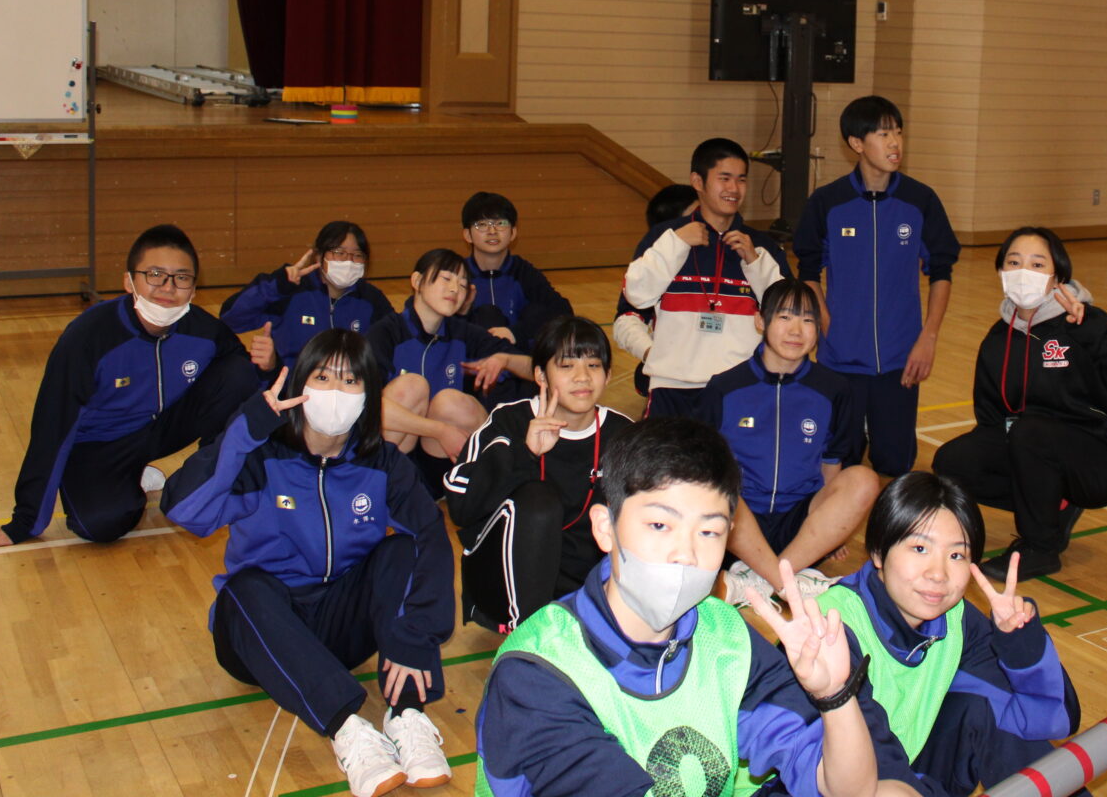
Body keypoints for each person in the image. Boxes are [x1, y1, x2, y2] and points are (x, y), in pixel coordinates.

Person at [471, 416, 921, 797]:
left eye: (709, 532)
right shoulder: (538, 670)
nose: (685, 554)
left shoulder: (723, 635)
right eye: (660, 524)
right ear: (605, 528)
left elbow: (848, 788)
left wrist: (834, 696)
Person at [162, 330, 455, 797]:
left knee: (402, 549)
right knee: (243, 588)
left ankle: (408, 715)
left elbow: (430, 537)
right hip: (260, 637)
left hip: (339, 626)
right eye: (323, 377)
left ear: (369, 395)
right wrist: (245, 430)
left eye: (351, 381)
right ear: (299, 385)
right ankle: (348, 730)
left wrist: (416, 635)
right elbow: (183, 510)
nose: (335, 393)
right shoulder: (261, 456)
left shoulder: (380, 463)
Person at [0, 224, 259, 549]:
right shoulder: (89, 337)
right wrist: (23, 523)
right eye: (155, 274)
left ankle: (204, 480)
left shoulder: (203, 329)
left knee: (240, 373)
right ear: (129, 281)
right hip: (101, 444)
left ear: (194, 288)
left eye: (182, 278)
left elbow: (240, 382)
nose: (168, 288)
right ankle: (128, 480)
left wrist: (267, 366)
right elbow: (52, 427)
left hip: (161, 428)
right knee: (100, 525)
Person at [815, 472, 1083, 797]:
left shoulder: (955, 621)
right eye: (919, 548)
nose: (938, 574)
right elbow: (860, 774)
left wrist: (1020, 646)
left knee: (980, 710)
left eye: (956, 555)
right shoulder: (832, 627)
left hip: (903, 777)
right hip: (830, 786)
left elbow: (1056, 719)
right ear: (878, 552)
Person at [933, 227, 1107, 581]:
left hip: (1106, 459)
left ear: (1058, 277)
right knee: (952, 462)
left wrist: (1096, 334)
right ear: (1001, 272)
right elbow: (991, 421)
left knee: (1031, 433)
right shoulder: (997, 340)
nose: (1024, 271)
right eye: (1014, 262)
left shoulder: (1086, 323)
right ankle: (1052, 506)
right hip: (1036, 449)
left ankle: (1040, 546)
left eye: (1037, 264)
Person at [793, 95, 960, 476]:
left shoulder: (920, 201)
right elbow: (808, 270)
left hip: (901, 359)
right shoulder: (827, 203)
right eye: (884, 134)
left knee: (895, 462)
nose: (895, 143)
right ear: (856, 143)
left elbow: (942, 270)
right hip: (841, 361)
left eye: (898, 133)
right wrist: (826, 324)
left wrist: (928, 337)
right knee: (841, 460)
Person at [444, 316, 635, 632]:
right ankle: (531, 638)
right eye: (566, 366)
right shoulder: (510, 422)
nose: (582, 377)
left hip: (586, 586)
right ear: (540, 375)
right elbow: (461, 507)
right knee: (538, 499)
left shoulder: (623, 435)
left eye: (593, 365)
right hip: (503, 583)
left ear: (608, 374)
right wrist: (524, 454)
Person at [701, 280, 882, 608]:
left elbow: (832, 463)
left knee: (864, 479)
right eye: (785, 317)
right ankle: (788, 580)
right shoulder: (724, 389)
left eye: (808, 320)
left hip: (799, 524)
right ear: (761, 321)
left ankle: (757, 581)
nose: (796, 330)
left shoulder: (834, 390)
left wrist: (830, 526)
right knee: (716, 486)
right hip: (740, 524)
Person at [622, 138, 791, 419]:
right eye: (724, 178)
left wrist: (754, 262)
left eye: (741, 180)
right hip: (671, 387)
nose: (734, 189)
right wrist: (676, 243)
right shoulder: (664, 237)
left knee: (733, 465)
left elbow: (787, 312)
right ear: (697, 182)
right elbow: (637, 295)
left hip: (739, 386)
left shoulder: (761, 247)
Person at [365, 247, 533, 490]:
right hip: (393, 457)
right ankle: (380, 491)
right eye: (446, 278)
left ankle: (490, 486)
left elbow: (535, 369)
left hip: (439, 458)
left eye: (463, 284)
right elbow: (365, 404)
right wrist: (439, 429)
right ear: (417, 281)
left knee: (451, 402)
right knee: (411, 386)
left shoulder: (464, 334)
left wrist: (505, 360)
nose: (455, 289)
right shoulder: (385, 333)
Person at [219, 220, 395, 375]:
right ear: (319, 256)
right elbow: (231, 320)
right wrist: (276, 285)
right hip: (291, 390)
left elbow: (395, 343)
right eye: (339, 252)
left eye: (357, 255)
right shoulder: (291, 292)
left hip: (348, 392)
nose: (348, 261)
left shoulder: (371, 299)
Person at [613, 183, 699, 401]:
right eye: (695, 215)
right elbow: (626, 320)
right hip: (671, 372)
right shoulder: (654, 262)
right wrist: (653, 354)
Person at [459, 191, 574, 346]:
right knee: (487, 315)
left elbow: (562, 310)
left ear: (513, 232)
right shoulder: (457, 274)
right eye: (482, 225)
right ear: (467, 235)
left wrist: (516, 332)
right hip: (474, 360)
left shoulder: (523, 272)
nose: (492, 231)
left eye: (501, 224)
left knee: (536, 311)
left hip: (520, 360)